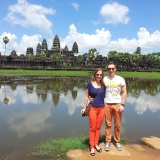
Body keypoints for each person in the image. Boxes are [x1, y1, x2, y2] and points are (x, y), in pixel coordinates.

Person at [81, 68, 105, 156]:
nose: (99, 76)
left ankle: (96, 144)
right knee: (92, 128)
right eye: (97, 74)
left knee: (98, 127)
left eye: (101, 75)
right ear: (94, 75)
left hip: (102, 108)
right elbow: (86, 96)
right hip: (92, 109)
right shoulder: (90, 84)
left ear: (102, 76)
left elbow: (105, 95)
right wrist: (84, 108)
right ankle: (91, 147)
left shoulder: (103, 85)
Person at [103, 62, 127, 151]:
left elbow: (124, 92)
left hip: (117, 104)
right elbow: (98, 88)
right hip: (107, 103)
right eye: (109, 69)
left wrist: (123, 104)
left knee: (117, 124)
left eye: (112, 68)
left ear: (115, 69)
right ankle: (108, 141)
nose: (111, 70)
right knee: (107, 124)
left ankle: (117, 141)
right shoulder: (104, 79)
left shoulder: (120, 79)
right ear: (107, 70)